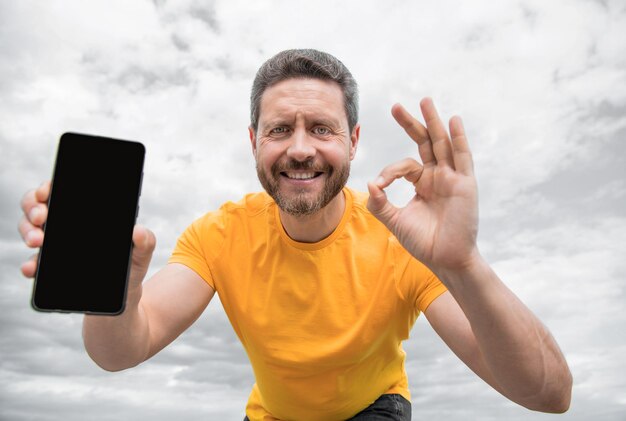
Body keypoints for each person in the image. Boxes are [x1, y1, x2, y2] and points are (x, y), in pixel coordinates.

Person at [19, 49, 572, 420]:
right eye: (280, 129)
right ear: (254, 141)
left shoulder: (400, 239)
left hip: (373, 408)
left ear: (354, 141)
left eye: (322, 129)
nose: (301, 148)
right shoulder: (219, 235)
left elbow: (548, 394)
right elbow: (119, 353)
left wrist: (463, 263)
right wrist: (122, 289)